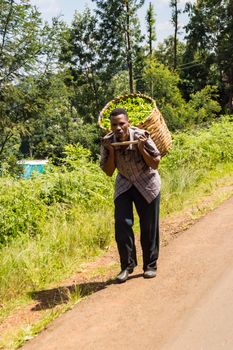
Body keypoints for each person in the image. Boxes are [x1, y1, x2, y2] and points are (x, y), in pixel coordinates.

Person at [100, 108, 161, 283]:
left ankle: (150, 265)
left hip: (147, 183)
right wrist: (111, 152)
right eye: (114, 125)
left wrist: (141, 148)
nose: (118, 128)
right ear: (110, 127)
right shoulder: (107, 142)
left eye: (121, 124)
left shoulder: (142, 135)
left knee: (149, 226)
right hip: (125, 183)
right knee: (122, 223)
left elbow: (155, 164)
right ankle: (126, 266)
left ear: (128, 123)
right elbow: (109, 171)